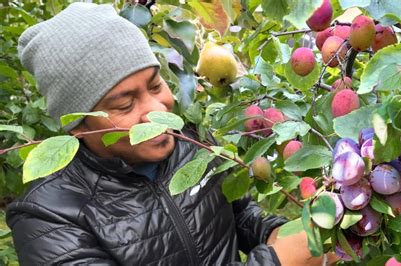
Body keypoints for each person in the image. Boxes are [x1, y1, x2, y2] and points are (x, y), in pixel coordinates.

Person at [7, 3, 337, 265]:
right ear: (78, 124)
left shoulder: (190, 146)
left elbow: (239, 216)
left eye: (155, 85)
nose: (158, 110)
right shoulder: (48, 217)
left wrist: (279, 231)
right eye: (125, 103)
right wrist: (276, 262)